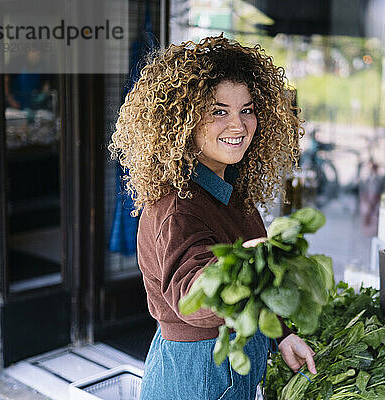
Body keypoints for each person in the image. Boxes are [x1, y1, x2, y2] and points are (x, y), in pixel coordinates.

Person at [109, 35, 317, 400]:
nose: (238, 125)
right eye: (218, 111)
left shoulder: (226, 184)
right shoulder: (180, 206)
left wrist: (282, 335)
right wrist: (244, 264)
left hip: (225, 368)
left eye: (247, 109)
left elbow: (254, 289)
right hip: (201, 375)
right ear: (183, 120)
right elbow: (192, 298)